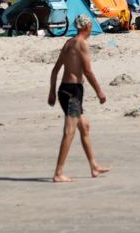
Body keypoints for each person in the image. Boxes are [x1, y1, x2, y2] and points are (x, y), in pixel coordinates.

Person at [48, 15, 109, 182]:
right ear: (87, 27)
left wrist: (52, 92)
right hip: (73, 92)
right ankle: (58, 173)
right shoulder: (82, 44)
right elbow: (88, 71)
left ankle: (94, 166)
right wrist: (99, 92)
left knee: (84, 126)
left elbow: (55, 70)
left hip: (64, 90)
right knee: (69, 131)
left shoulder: (69, 43)